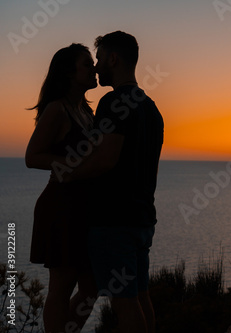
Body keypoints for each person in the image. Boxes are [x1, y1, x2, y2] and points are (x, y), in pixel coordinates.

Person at [64, 31, 164, 333]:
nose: (96, 67)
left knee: (124, 303)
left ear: (113, 58)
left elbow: (105, 159)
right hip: (142, 219)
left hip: (114, 222)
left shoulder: (114, 101)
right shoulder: (152, 108)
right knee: (140, 296)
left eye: (98, 59)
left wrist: (68, 173)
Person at [26, 43, 98, 333]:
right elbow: (33, 157)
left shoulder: (86, 111)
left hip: (83, 206)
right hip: (60, 205)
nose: (93, 69)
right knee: (62, 285)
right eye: (86, 64)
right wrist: (74, 164)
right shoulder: (58, 110)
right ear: (69, 73)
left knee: (92, 286)